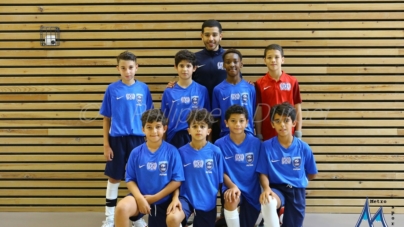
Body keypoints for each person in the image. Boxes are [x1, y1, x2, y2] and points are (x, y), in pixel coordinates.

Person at [99, 51, 153, 227]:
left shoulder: (143, 88)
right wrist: (106, 144)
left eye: (130, 67)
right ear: (118, 68)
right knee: (114, 178)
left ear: (136, 67)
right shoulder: (112, 89)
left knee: (138, 178)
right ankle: (109, 218)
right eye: (123, 68)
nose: (127, 71)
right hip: (117, 140)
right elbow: (106, 118)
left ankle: (137, 219)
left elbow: (149, 118)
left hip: (138, 140)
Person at [115, 109, 185, 227]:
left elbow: (177, 181)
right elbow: (130, 180)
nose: (154, 131)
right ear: (143, 129)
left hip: (164, 199)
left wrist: (155, 198)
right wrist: (140, 198)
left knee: (171, 219)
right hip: (141, 197)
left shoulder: (172, 152)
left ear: (164, 128)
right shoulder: (136, 153)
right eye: (149, 127)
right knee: (121, 208)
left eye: (158, 127)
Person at [256, 102, 318, 227]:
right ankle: (275, 216)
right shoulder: (266, 146)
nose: (282, 124)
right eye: (277, 121)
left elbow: (312, 173)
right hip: (276, 189)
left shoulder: (304, 148)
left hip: (296, 191)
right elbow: (263, 173)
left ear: (294, 123)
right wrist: (267, 189)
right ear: (272, 124)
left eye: (286, 120)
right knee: (268, 202)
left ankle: (282, 214)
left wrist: (299, 180)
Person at [166, 109, 224, 227]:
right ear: (189, 131)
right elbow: (176, 180)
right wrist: (175, 198)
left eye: (202, 126)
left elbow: (219, 181)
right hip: (186, 199)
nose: (198, 129)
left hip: (207, 201)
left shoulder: (216, 152)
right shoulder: (181, 152)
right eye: (195, 126)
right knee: (172, 219)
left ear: (208, 131)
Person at [214, 105, 261, 227]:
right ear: (226, 123)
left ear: (247, 123)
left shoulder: (256, 143)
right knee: (231, 199)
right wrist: (233, 186)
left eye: (241, 121)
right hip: (231, 187)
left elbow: (262, 170)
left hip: (252, 191)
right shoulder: (219, 144)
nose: (237, 124)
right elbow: (220, 172)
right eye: (233, 121)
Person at [161, 50, 210, 148]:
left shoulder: (202, 90)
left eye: (188, 66)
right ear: (175, 67)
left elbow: (207, 118)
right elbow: (164, 120)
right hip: (175, 136)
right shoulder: (168, 92)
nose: (185, 69)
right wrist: (163, 142)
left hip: (197, 134)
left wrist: (209, 141)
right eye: (181, 66)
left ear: (194, 68)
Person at [255, 44, 303, 142]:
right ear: (265, 60)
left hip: (289, 132)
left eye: (276, 57)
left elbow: (297, 108)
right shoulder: (259, 83)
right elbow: (259, 111)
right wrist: (259, 133)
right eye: (269, 57)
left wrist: (298, 131)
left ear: (283, 60)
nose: (273, 60)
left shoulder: (292, 81)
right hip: (268, 133)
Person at [212, 49, 256, 138]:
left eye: (235, 62)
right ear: (224, 65)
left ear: (241, 64)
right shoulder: (218, 89)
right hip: (226, 135)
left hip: (248, 134)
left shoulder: (250, 88)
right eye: (228, 62)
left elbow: (254, 112)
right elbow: (216, 117)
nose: (232, 65)